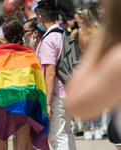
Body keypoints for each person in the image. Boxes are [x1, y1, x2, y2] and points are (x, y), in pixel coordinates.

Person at [0, 17, 49, 150]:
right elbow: (39, 82)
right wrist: (41, 106)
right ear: (22, 34)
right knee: (22, 146)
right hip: (24, 103)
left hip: (0, 101)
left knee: (1, 146)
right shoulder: (30, 54)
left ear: (4, 35)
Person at [66, 0, 121, 149]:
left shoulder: (77, 32)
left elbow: (77, 101)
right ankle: (97, 128)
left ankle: (89, 130)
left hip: (88, 63)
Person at [35, 0, 76, 149]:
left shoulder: (48, 39)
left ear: (40, 17)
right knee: (66, 132)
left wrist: (47, 102)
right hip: (68, 90)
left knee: (57, 136)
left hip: (56, 95)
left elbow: (50, 74)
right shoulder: (63, 33)